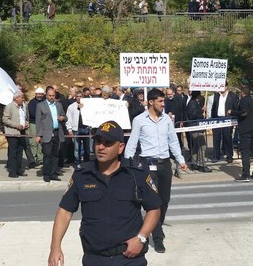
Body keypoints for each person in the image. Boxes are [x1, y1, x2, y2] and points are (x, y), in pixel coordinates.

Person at [48, 121, 161, 266]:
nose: (101, 147)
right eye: (98, 142)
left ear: (120, 148)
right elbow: (64, 211)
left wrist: (141, 238)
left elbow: (154, 209)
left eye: (107, 143)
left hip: (129, 258)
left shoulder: (136, 173)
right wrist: (55, 247)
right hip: (94, 258)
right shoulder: (82, 174)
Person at [124, 89, 188, 253]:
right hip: (148, 164)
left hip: (164, 164)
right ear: (151, 102)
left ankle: (155, 225)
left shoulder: (166, 120)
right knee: (154, 202)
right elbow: (133, 141)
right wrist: (127, 163)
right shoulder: (139, 120)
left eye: (163, 101)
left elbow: (173, 141)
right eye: (160, 101)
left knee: (164, 200)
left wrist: (180, 160)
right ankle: (157, 237)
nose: (163, 104)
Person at [230, 85, 253, 182]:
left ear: (242, 93)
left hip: (245, 130)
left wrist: (232, 112)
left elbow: (243, 113)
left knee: (245, 151)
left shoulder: (243, 101)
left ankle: (245, 175)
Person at [35, 87, 67, 182]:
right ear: (46, 95)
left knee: (55, 155)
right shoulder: (41, 106)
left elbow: (65, 117)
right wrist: (38, 135)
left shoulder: (59, 105)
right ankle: (46, 174)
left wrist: (63, 118)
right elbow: (38, 121)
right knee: (47, 155)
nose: (52, 97)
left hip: (57, 132)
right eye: (50, 95)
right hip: (46, 133)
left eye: (53, 95)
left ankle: (53, 173)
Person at [2, 90, 29, 178]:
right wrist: (16, 125)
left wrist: (26, 123)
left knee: (20, 152)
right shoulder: (9, 107)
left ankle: (19, 170)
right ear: (17, 98)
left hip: (21, 132)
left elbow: (22, 118)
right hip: (13, 133)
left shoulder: (21, 107)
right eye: (22, 97)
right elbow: (5, 119)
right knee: (13, 153)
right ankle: (12, 172)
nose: (23, 99)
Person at [211, 83, 239, 163]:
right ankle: (216, 156)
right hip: (217, 119)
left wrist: (232, 114)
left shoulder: (232, 96)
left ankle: (229, 155)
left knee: (227, 137)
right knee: (216, 137)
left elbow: (235, 108)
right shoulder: (217, 96)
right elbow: (213, 108)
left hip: (227, 119)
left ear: (226, 87)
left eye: (222, 86)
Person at [65, 91, 91, 165]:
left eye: (80, 96)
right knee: (77, 148)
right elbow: (68, 118)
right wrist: (69, 129)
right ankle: (77, 163)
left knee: (87, 148)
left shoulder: (88, 106)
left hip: (86, 128)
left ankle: (87, 163)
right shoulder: (71, 106)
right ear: (75, 97)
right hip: (76, 129)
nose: (79, 98)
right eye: (77, 96)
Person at [27, 87, 45, 166]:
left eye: (41, 94)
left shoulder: (45, 102)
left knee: (41, 141)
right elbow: (33, 114)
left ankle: (40, 158)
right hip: (33, 123)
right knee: (33, 142)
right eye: (38, 94)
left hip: (42, 124)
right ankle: (33, 159)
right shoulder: (32, 102)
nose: (40, 95)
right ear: (35, 94)